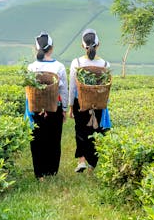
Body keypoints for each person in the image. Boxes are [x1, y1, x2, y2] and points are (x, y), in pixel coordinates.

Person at [26, 31, 68, 179]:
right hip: (54, 108)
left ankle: (40, 174)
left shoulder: (31, 67)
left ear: (36, 48)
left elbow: (28, 91)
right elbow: (63, 90)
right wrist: (64, 109)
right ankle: (51, 172)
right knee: (53, 140)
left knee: (37, 141)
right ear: (52, 48)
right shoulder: (59, 67)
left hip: (36, 108)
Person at [69, 28, 111, 172]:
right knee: (95, 131)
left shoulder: (76, 63)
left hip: (80, 102)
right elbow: (107, 88)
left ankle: (81, 161)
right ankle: (92, 166)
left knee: (80, 130)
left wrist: (69, 107)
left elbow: (72, 87)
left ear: (83, 46)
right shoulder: (105, 65)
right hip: (98, 104)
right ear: (98, 45)